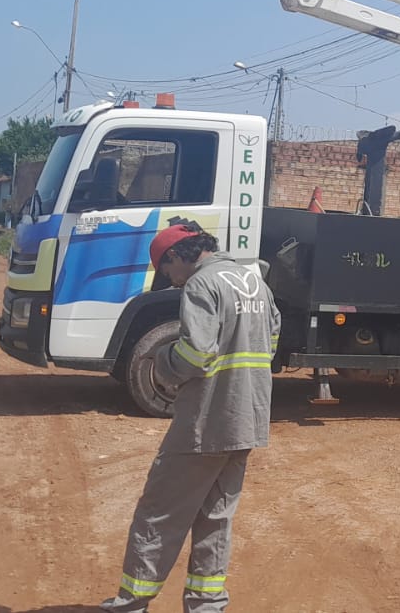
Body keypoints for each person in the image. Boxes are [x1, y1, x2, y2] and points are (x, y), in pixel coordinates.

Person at [102, 223, 281, 613]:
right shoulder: (254, 283)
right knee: (215, 516)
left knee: (159, 511)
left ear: (177, 256)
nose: (172, 281)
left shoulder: (202, 285)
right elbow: (273, 341)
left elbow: (197, 355)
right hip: (246, 419)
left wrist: (160, 363)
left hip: (206, 420)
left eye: (168, 272)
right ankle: (206, 605)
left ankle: (131, 603)